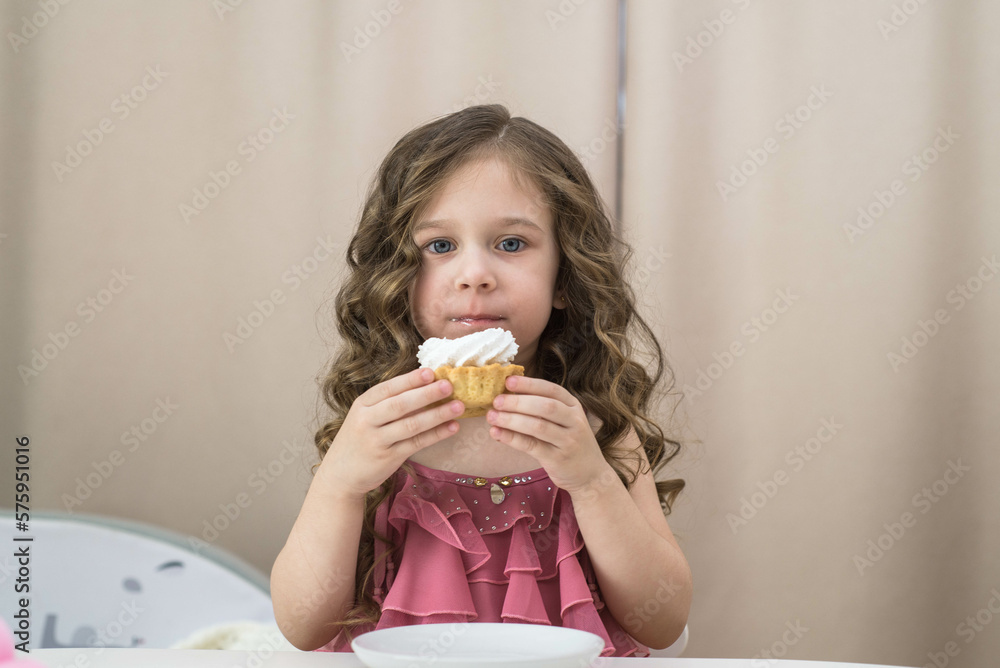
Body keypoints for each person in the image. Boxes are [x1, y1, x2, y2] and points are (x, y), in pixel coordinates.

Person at [270, 104, 692, 658]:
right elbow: (303, 628)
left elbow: (661, 623)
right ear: (398, 278)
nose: (475, 275)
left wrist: (591, 482)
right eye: (440, 246)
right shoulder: (380, 428)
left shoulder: (592, 428)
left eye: (511, 244)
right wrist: (342, 484)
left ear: (565, 277)